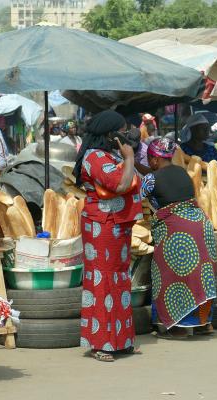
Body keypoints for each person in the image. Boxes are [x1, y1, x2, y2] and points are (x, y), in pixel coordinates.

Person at [73, 110, 142, 362]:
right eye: (122, 130)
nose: (126, 134)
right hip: (101, 225)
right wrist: (130, 157)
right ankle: (101, 343)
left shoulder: (107, 155)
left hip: (117, 225)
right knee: (102, 280)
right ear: (110, 134)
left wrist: (128, 157)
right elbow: (120, 185)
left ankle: (120, 341)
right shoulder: (95, 157)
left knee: (119, 280)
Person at [140, 138, 217, 339]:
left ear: (155, 160)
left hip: (178, 230)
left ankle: (176, 327)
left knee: (168, 276)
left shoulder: (151, 179)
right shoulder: (183, 172)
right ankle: (203, 324)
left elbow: (138, 196)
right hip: (201, 224)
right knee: (200, 276)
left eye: (149, 159)